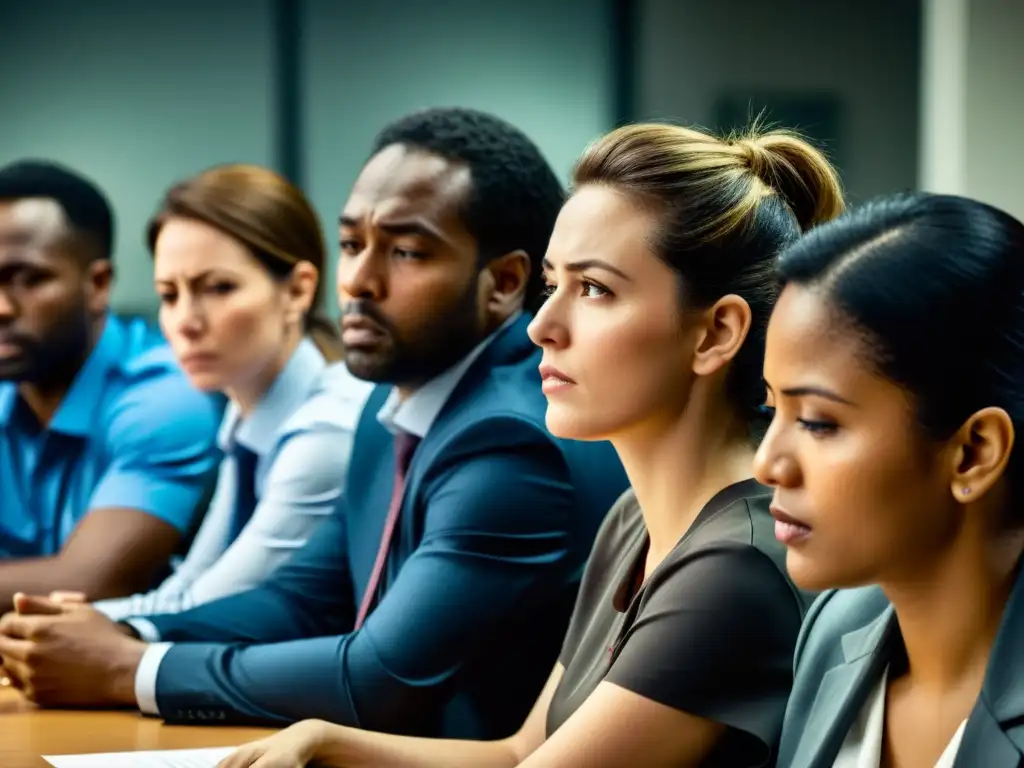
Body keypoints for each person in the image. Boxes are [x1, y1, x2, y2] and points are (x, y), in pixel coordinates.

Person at [216, 121, 844, 768]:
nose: (542, 326)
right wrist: (328, 743)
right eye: (552, 285)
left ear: (716, 333)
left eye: (595, 289)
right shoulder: (634, 520)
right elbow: (523, 751)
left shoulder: (733, 567)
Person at [0, 108, 629, 740]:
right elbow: (302, 599)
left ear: (504, 282)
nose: (356, 280)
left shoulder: (507, 437)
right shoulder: (389, 410)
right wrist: (125, 632)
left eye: (406, 252)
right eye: (353, 244)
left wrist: (129, 669)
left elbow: (382, 679)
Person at [751, 193, 1024, 767]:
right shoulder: (832, 628)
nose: (768, 463)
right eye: (770, 406)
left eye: (818, 423)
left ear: (973, 452)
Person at [64, 164, 370, 621]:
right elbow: (188, 586)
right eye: (169, 295)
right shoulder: (247, 417)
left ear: (299, 291)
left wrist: (77, 626)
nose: (185, 321)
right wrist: (65, 623)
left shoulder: (326, 428)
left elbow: (209, 611)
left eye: (218, 288)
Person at [0, 159, 219, 611]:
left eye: (28, 279)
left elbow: (85, 582)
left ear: (98, 284)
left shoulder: (165, 396)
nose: (2, 307)